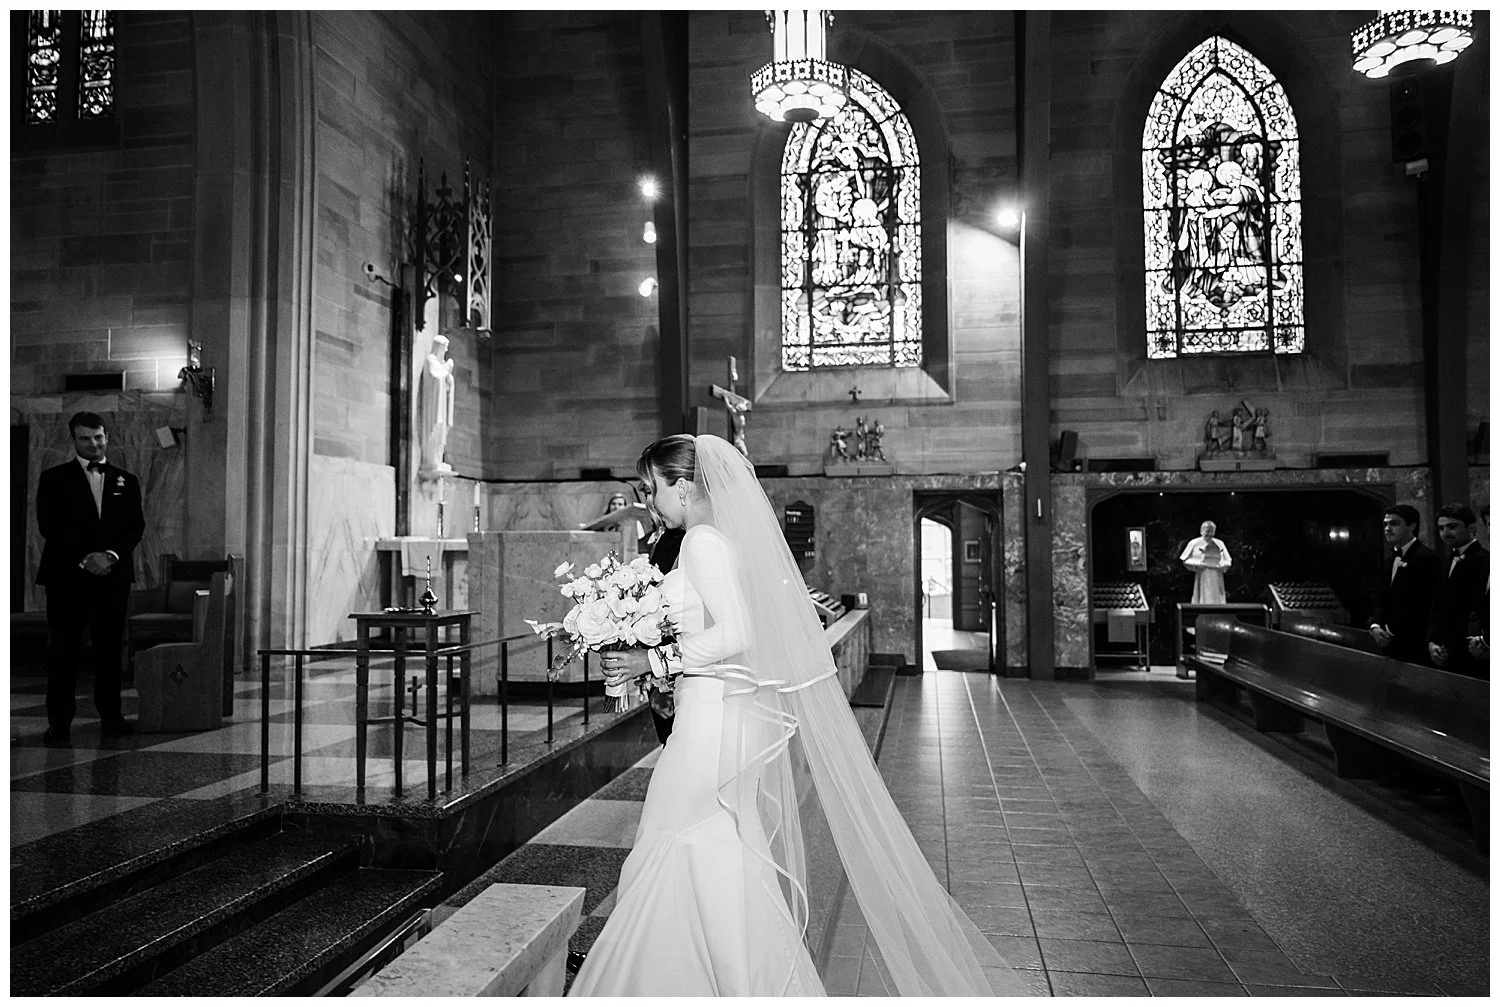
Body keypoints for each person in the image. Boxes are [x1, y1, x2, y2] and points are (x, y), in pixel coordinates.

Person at [570, 434, 1007, 996]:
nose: (650, 501)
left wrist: (652, 659)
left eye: (652, 489)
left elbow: (738, 633)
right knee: (707, 845)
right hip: (712, 711)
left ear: (683, 486)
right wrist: (648, 655)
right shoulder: (714, 540)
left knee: (677, 838)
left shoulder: (702, 542)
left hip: (710, 725)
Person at [36, 411, 146, 745]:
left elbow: (135, 526)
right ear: (73, 440)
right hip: (66, 576)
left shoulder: (126, 480)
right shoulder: (54, 478)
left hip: (112, 576)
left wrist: (109, 556)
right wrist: (87, 558)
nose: (93, 444)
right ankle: (59, 722)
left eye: (98, 437)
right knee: (63, 651)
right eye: (85, 439)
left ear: (106, 437)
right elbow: (49, 525)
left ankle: (112, 716)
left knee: (109, 649)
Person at [1368, 504, 1440, 664]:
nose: (1388, 529)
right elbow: (1382, 598)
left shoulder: (1426, 558)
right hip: (1387, 644)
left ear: (1412, 526)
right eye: (1385, 524)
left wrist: (1390, 631)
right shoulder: (1390, 560)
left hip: (1414, 644)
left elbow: (1422, 604)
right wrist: (1375, 626)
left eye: (1394, 524)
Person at [1427, 504, 1490, 677]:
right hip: (1445, 650)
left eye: (1452, 527)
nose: (1445, 533)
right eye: (1441, 528)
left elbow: (1478, 609)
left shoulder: (1485, 560)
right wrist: (1432, 642)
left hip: (1473, 651)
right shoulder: (1446, 561)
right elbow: (1437, 605)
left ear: (1472, 528)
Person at [1180, 520, 1232, 604]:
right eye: (1207, 531)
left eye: (1212, 531)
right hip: (1202, 575)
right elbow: (1185, 560)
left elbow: (1228, 561)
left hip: (1217, 577)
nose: (1210, 534)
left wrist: (1220, 564)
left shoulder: (1220, 543)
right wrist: (1199, 563)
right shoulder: (1194, 543)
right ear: (1201, 531)